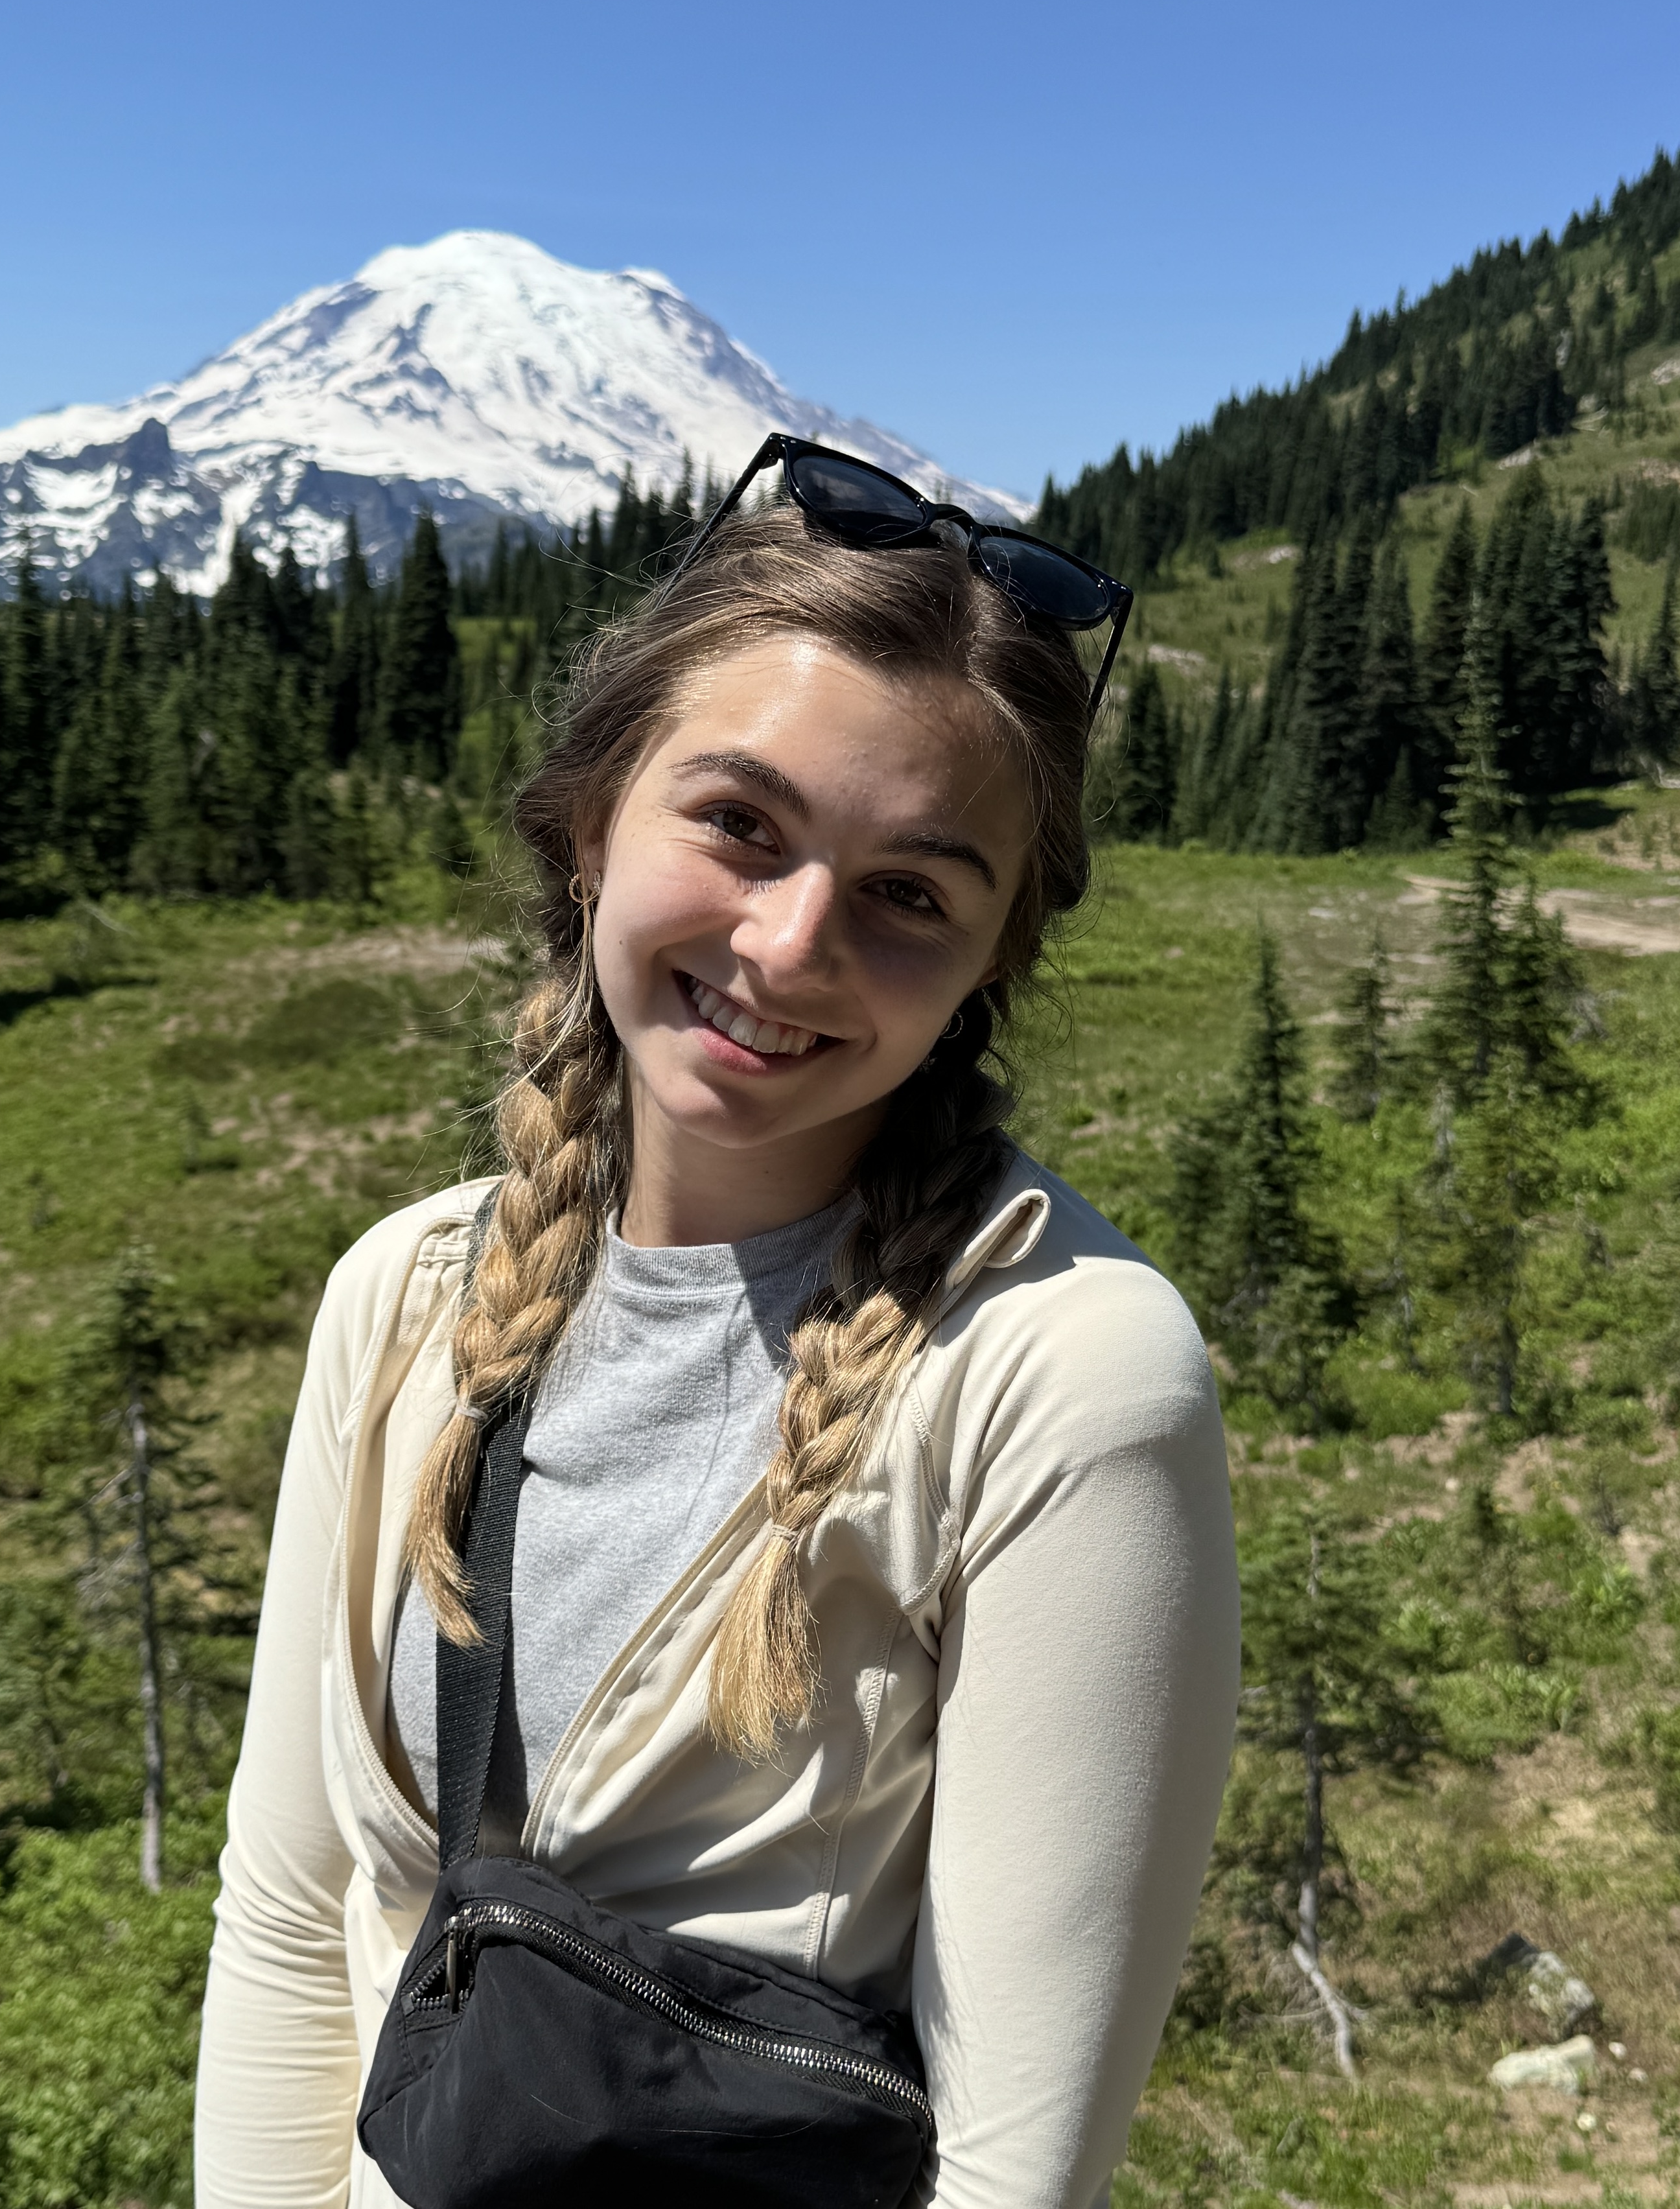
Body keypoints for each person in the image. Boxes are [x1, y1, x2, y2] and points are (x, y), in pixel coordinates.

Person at [195, 444, 1239, 2208]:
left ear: (989, 959)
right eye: (739, 823)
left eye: (910, 891)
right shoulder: (403, 1299)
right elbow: (300, 1917)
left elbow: (1013, 2167)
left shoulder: (1059, 1375)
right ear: (592, 817)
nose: (791, 940)